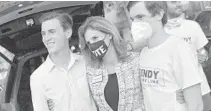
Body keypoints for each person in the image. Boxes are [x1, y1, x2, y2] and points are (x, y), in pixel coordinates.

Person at [127, 1, 203, 111]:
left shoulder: (179, 48)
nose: (135, 24)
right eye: (132, 19)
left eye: (140, 17)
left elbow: (195, 104)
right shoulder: (144, 53)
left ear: (159, 14)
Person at [30, 11, 97, 111]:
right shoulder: (38, 78)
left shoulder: (85, 63)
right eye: (43, 34)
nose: (47, 38)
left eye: (52, 32)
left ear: (68, 33)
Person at [78, 16, 145, 111]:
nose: (92, 44)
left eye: (95, 38)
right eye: (88, 43)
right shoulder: (91, 71)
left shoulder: (135, 61)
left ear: (109, 34)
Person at [164, 1, 211, 110]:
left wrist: (204, 56)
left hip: (201, 87)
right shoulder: (161, 31)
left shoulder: (192, 26)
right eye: (174, 2)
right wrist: (171, 91)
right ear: (163, 4)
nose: (179, 4)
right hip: (178, 92)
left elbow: (202, 51)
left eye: (179, 1)